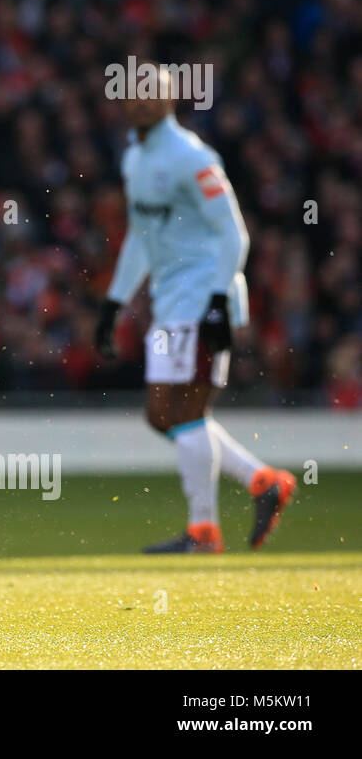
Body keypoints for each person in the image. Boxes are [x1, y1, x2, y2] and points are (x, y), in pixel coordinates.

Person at [97, 70, 295, 553]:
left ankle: (203, 530)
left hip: (201, 299)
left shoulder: (192, 158)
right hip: (169, 302)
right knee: (162, 414)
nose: (141, 104)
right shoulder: (136, 159)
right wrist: (114, 303)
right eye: (133, 96)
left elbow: (235, 235)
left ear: (169, 99)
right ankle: (261, 481)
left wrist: (215, 301)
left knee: (181, 410)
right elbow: (141, 240)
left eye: (152, 95)